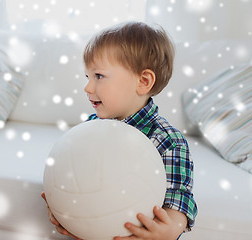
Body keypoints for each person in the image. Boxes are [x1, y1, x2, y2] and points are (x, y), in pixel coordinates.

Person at [41, 21, 197, 240]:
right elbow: (77, 177)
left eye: (99, 76)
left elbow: (179, 200)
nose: (87, 87)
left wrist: (168, 231)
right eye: (88, 77)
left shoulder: (167, 140)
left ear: (143, 81)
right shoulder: (89, 129)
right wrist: (63, 208)